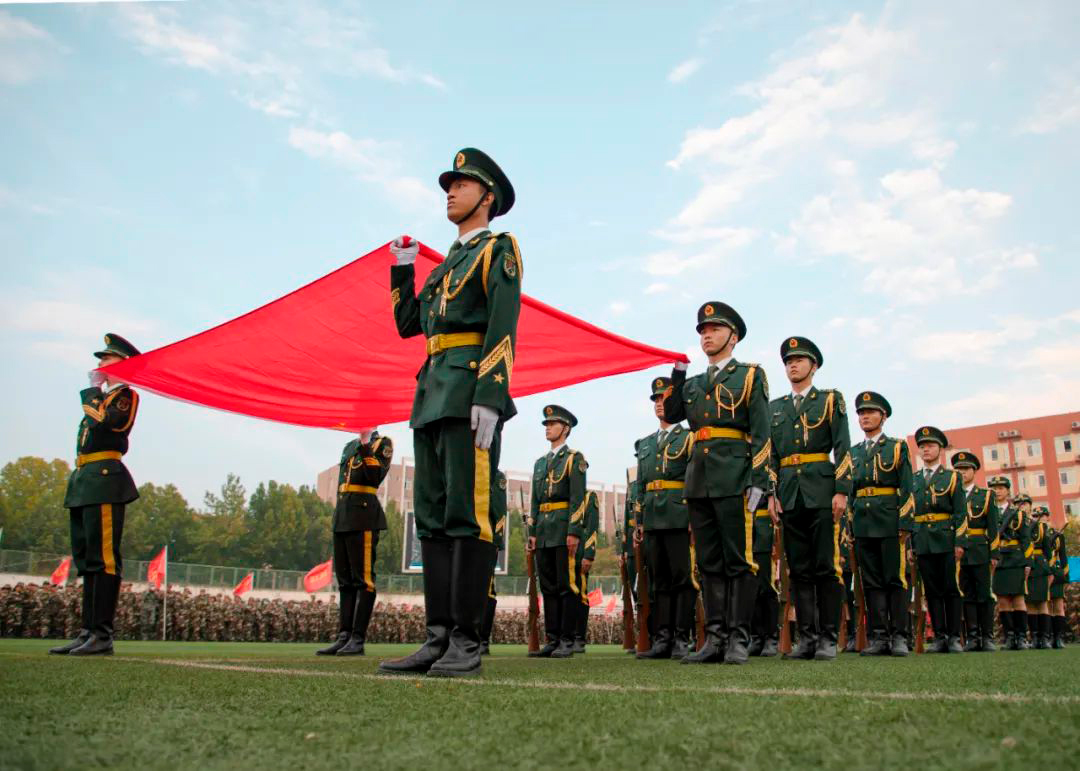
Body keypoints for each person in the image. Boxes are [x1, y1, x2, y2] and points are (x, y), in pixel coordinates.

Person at [381, 148, 521, 678]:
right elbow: (408, 325)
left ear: (487, 197)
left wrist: (490, 394)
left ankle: (467, 639)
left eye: (462, 184)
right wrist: (402, 270)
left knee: (469, 516)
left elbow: (503, 325)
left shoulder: (497, 250)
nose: (450, 191)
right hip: (432, 393)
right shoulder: (442, 269)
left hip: (468, 394)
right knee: (434, 522)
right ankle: (436, 637)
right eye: (449, 184)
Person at [662, 302, 770, 665]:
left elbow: (763, 432)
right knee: (708, 563)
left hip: (735, 477)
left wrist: (759, 481)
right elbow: (675, 413)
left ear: (733, 337)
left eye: (714, 329)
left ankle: (739, 638)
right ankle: (715, 637)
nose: (706, 335)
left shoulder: (750, 376)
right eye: (702, 331)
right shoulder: (693, 384)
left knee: (738, 561)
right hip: (699, 480)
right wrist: (678, 374)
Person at [50, 334, 141, 656]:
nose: (100, 363)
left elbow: (106, 424)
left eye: (107, 358)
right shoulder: (104, 397)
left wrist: (92, 391)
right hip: (86, 480)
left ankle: (102, 635)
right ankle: (87, 631)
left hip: (106, 479)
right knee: (87, 560)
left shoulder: (124, 396)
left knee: (104, 559)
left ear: (124, 364)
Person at [767, 337, 852, 662]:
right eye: (789, 360)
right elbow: (771, 456)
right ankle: (808, 638)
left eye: (800, 360)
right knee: (799, 570)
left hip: (821, 490)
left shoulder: (830, 400)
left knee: (826, 568)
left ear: (813, 366)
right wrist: (772, 496)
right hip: (788, 493)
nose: (793, 364)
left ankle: (829, 638)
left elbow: (843, 446)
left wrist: (842, 490)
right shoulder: (775, 408)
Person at [634, 377, 695, 660]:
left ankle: (682, 638)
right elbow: (640, 484)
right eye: (656, 400)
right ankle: (662, 638)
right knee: (658, 580)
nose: (660, 404)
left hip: (679, 514)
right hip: (653, 517)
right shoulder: (645, 443)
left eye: (665, 399)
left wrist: (695, 516)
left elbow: (695, 478)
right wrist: (638, 520)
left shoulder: (689, 437)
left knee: (682, 579)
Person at [317, 430, 393, 656]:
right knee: (345, 581)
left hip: (363, 515)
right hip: (343, 515)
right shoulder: (348, 446)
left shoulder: (382, 443)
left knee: (364, 580)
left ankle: (358, 638)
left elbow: (374, 475)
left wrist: (365, 444)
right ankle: (344, 636)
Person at [527, 405, 588, 658]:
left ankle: (566, 639)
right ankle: (552, 639)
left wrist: (573, 531)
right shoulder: (540, 463)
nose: (547, 427)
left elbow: (578, 499)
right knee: (549, 586)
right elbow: (534, 501)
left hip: (564, 529)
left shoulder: (574, 459)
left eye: (552, 424)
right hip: (543, 530)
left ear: (565, 428)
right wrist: (532, 531)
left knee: (566, 586)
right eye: (546, 424)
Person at [911, 426, 967, 653]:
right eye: (922, 446)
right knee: (931, 591)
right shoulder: (914, 479)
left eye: (930, 445)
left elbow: (961, 512)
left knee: (950, 589)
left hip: (945, 538)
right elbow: (911, 513)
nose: (925, 449)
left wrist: (959, 542)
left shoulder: (952, 477)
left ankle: (954, 636)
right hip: (923, 539)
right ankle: (940, 636)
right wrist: (911, 544)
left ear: (940, 449)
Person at [951, 451, 1000, 652]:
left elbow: (993, 526)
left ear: (974, 471)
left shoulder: (986, 495)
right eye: (958, 469)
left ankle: (987, 636)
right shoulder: (952, 493)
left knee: (984, 595)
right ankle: (972, 636)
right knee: (967, 594)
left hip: (980, 549)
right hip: (959, 551)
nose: (962, 472)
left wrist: (994, 553)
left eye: (966, 469)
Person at [993, 488, 1033, 649]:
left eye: (1001, 488)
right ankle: (1009, 636)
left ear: (1008, 491)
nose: (998, 491)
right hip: (999, 559)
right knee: (1003, 600)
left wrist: (1028, 562)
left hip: (1016, 559)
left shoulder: (1018, 514)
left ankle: (1021, 636)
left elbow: (1026, 539)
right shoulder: (990, 511)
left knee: (1018, 599)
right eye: (994, 489)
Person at [480, 471, 508, 655]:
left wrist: (497, 541)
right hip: (463, 534)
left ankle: (482, 639)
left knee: (486, 589)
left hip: (486, 538)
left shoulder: (495, 476)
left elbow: (499, 510)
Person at [749, 498, 779, 657]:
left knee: (766, 585)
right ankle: (757, 637)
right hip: (747, 526)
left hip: (763, 525)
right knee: (750, 587)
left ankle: (771, 637)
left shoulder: (767, 472)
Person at [573, 490, 600, 653]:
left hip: (580, 553)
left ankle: (578, 638)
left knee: (580, 595)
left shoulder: (589, 496)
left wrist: (589, 554)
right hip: (563, 553)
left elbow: (592, 527)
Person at [1025, 506, 1055, 649]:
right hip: (1027, 566)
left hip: (1041, 566)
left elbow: (1048, 552)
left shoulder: (1043, 528)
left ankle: (1044, 637)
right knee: (1030, 603)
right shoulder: (1023, 525)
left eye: (1039, 516)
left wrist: (1050, 571)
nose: (1036, 518)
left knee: (1043, 603)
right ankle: (1035, 637)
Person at [1048, 521, 1069, 648]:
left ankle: (1058, 637)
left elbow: (1063, 555)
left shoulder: (1057, 534)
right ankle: (1049, 636)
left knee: (1058, 605)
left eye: (1045, 516)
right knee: (1046, 605)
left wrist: (1066, 575)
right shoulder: (1035, 531)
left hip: (1056, 571)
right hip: (1043, 571)